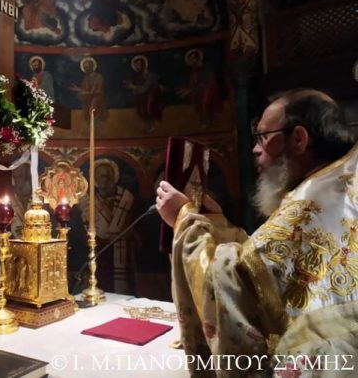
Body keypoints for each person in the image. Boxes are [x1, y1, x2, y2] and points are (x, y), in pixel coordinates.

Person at [155, 89, 357, 375]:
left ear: (299, 139)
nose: (255, 148)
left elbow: (237, 283)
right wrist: (218, 224)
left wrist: (185, 221)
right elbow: (273, 271)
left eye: (263, 136)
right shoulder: (342, 182)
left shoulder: (310, 203)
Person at [80, 159, 135, 294]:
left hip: (123, 254)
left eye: (109, 176)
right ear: (96, 180)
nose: (106, 181)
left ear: (114, 178)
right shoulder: (90, 203)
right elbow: (85, 232)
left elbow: (134, 226)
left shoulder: (126, 198)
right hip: (101, 254)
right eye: (101, 176)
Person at [124, 55, 164, 133]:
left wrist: (133, 86)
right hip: (141, 97)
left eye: (139, 65)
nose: (138, 67)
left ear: (144, 65)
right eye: (136, 65)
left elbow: (144, 88)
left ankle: (151, 126)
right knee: (141, 111)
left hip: (150, 96)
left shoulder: (150, 75)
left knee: (148, 110)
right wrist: (130, 86)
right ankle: (146, 126)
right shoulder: (136, 76)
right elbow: (136, 89)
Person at [71, 57, 107, 130]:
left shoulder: (98, 77)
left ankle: (96, 127)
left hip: (97, 98)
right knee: (87, 112)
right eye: (85, 67)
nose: (87, 69)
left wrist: (85, 92)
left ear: (92, 66)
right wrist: (79, 89)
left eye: (88, 66)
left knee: (93, 110)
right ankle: (89, 127)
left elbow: (97, 90)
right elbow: (85, 89)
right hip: (88, 99)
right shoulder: (86, 78)